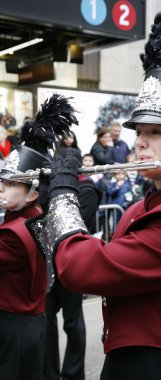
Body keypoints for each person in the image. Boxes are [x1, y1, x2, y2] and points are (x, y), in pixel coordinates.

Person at [27, 1, 161, 379]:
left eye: (156, 133)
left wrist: (64, 194)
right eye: (140, 133)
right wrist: (42, 196)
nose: (141, 143)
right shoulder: (152, 205)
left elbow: (82, 268)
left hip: (159, 366)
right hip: (132, 358)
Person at [0, 93, 77, 380]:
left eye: (10, 184)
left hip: (13, 325)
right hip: (30, 323)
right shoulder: (32, 217)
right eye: (2, 182)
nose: (2, 189)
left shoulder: (13, 234)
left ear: (33, 192)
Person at [43, 150, 101, 380]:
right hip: (48, 264)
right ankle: (49, 373)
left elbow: (71, 224)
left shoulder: (87, 191)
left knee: (73, 322)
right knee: (46, 323)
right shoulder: (47, 189)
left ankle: (73, 374)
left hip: (71, 264)